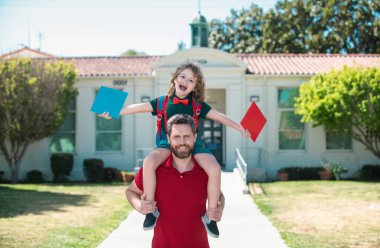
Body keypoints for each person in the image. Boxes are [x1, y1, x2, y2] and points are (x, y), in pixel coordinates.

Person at [99, 61, 250, 237]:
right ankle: (150, 211)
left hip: (194, 144)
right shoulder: (162, 102)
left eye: (191, 80)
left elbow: (220, 117)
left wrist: (240, 128)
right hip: (166, 142)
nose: (185, 81)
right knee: (149, 162)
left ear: (194, 87)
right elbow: (137, 108)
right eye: (183, 76)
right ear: (175, 79)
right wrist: (114, 111)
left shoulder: (198, 105)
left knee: (214, 168)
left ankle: (211, 218)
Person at [126, 114, 225, 248]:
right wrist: (140, 206)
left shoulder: (205, 171)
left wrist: (219, 210)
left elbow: (219, 196)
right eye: (177, 136)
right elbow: (131, 191)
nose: (182, 142)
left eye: (187, 136)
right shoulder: (154, 170)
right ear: (168, 138)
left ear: (195, 137)